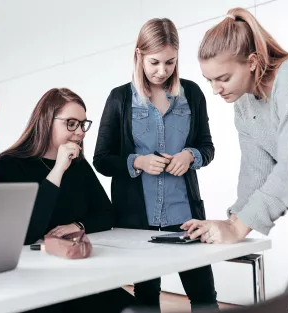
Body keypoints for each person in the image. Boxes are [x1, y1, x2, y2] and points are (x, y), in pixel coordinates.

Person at [182, 7, 288, 311]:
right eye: (210, 81)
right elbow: (255, 170)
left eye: (223, 78)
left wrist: (239, 228)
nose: (216, 89)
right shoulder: (244, 104)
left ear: (253, 63)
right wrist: (232, 220)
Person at [93, 18, 218, 312]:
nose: (162, 71)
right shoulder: (119, 99)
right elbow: (101, 159)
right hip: (138, 222)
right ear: (139, 55)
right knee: (147, 299)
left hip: (186, 218)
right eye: (155, 62)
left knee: (204, 297)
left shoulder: (192, 95)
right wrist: (136, 161)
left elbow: (207, 147)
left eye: (170, 62)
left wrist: (190, 156)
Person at [0, 87, 136, 313]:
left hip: (77, 271)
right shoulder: (9, 165)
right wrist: (57, 170)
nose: (80, 132)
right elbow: (25, 235)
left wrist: (77, 225)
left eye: (83, 124)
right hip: (32, 280)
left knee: (140, 309)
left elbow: (107, 214)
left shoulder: (79, 165)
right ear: (47, 121)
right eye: (71, 123)